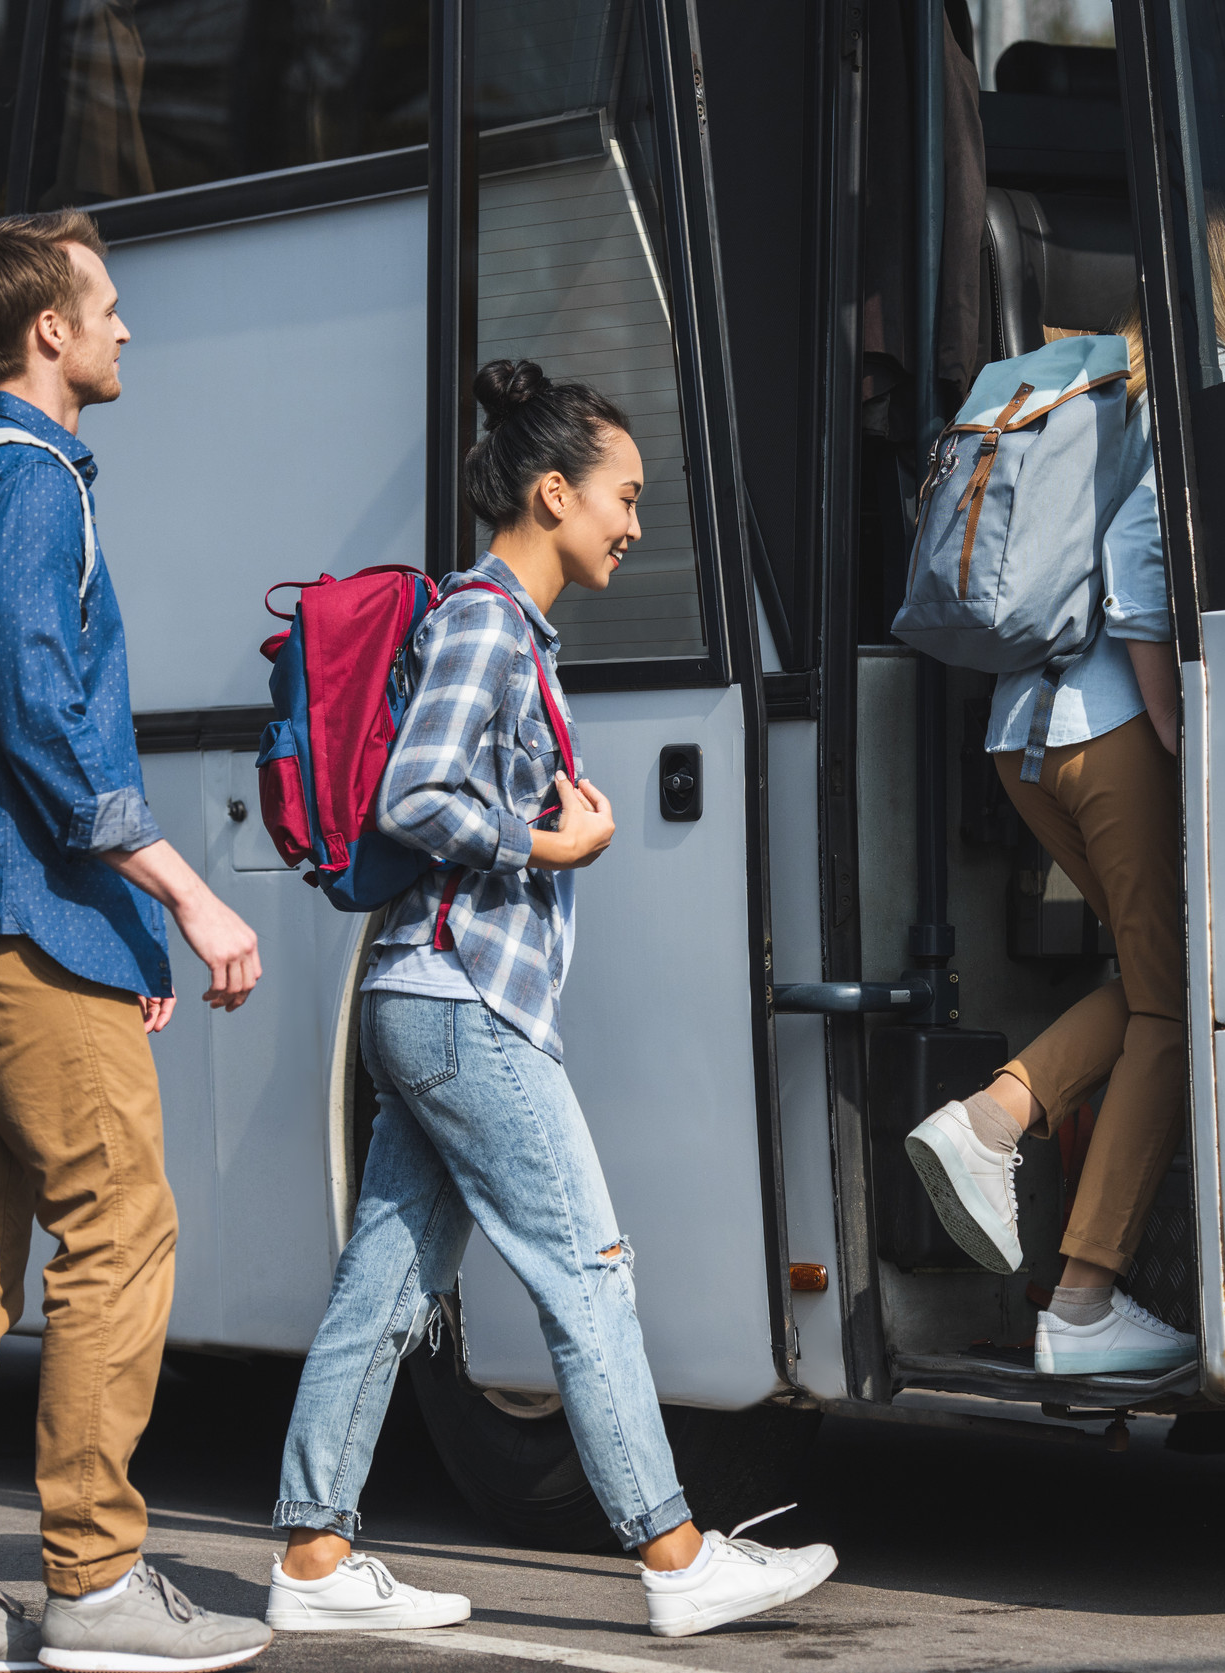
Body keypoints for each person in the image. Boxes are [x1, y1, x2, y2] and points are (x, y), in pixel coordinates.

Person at [262, 359, 839, 1640]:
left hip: (440, 997)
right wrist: (545, 841)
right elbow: (413, 794)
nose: (634, 523)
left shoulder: (509, 628)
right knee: (589, 1268)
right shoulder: (483, 620)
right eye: (621, 497)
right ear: (550, 491)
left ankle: (310, 1556)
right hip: (465, 1005)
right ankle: (675, 1550)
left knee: (387, 1283)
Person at [0, 210, 272, 1673]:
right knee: (120, 1229)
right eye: (106, 307)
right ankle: (93, 1581)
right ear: (48, 332)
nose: (124, 329)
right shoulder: (28, 483)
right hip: (11, 913)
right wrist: (183, 897)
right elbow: (40, 722)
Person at [902, 198, 1225, 1375]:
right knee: (1172, 1004)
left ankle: (997, 1128)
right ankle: (1077, 1289)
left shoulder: (1110, 382)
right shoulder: (1219, 381)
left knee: (1157, 981)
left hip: (1028, 736)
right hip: (1116, 736)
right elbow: (1144, 565)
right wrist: (1182, 725)